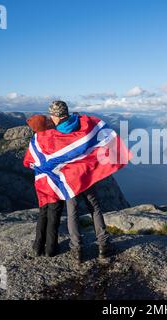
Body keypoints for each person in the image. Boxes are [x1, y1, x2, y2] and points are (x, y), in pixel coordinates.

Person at [48, 101, 112, 263]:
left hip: (70, 179)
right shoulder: (82, 124)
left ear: (55, 116)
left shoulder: (55, 134)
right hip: (87, 174)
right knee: (95, 208)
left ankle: (77, 250)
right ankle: (103, 246)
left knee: (73, 211)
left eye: (52, 115)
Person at [24, 115, 63, 257]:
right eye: (47, 120)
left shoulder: (34, 141)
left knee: (43, 214)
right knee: (54, 215)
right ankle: (51, 248)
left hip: (40, 183)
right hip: (54, 183)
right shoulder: (54, 137)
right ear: (44, 125)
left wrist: (40, 167)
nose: (49, 121)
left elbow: (26, 162)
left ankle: (37, 246)